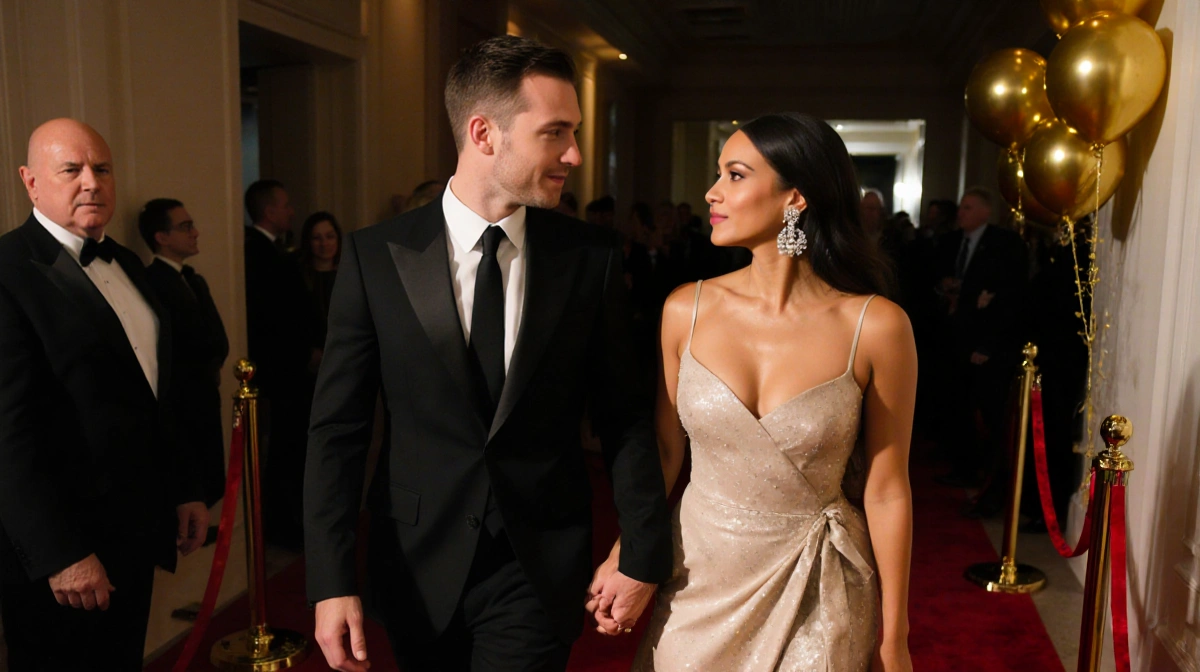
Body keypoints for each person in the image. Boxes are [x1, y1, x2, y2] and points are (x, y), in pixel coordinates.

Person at [304, 35, 672, 672]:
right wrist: (331, 579)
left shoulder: (590, 259)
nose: (575, 155)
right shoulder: (376, 257)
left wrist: (643, 546)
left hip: (538, 564)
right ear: (483, 133)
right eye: (555, 133)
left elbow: (624, 415)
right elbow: (338, 430)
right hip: (416, 560)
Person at [610, 113, 916, 671]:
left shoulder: (876, 326)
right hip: (696, 580)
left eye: (734, 175)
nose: (712, 191)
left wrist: (895, 636)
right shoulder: (686, 309)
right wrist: (627, 552)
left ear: (794, 198)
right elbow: (664, 452)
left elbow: (888, 488)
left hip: (816, 587)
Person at [0, 118, 208, 670]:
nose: (91, 182)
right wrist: (61, 554)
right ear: (31, 181)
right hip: (64, 553)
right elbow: (8, 434)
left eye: (102, 169)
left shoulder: (129, 264)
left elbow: (154, 393)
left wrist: (184, 488)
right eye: (71, 169)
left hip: (136, 531)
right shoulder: (6, 272)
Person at [932, 188, 1028, 513]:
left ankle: (986, 477)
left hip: (987, 346)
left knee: (987, 415)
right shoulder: (952, 243)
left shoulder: (1004, 245)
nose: (961, 213)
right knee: (958, 406)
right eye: (960, 207)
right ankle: (964, 467)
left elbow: (1008, 299)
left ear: (986, 212)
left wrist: (988, 344)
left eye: (968, 207)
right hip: (957, 339)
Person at [140, 198, 231, 509]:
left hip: (204, 396)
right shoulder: (152, 282)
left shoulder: (193, 279)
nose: (195, 232)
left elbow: (217, 341)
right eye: (185, 226)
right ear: (161, 237)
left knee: (211, 475)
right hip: (180, 403)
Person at [243, 178, 313, 546]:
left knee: (290, 448)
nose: (291, 211)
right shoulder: (257, 252)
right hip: (280, 371)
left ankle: (286, 520)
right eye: (285, 205)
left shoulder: (271, 250)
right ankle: (282, 524)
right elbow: (275, 318)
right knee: (285, 451)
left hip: (286, 370)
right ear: (269, 211)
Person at [296, 210, 343, 352]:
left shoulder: (350, 275)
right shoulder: (297, 278)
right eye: (317, 238)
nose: (324, 243)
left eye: (330, 237)